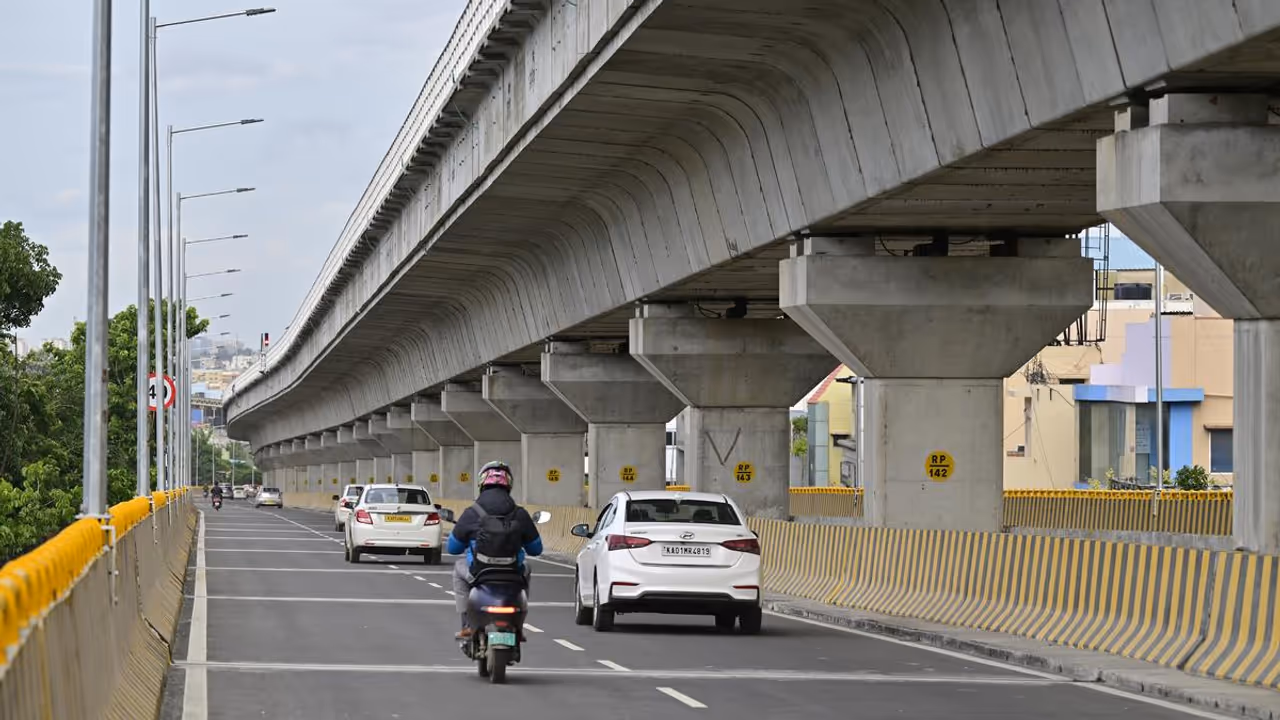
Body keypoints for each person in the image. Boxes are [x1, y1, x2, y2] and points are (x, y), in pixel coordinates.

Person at [446, 461, 542, 640]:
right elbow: (536, 549)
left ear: (481, 483)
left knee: (459, 568)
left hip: (479, 572)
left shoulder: (471, 512)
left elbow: (452, 548)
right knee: (527, 568)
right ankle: (518, 625)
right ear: (509, 485)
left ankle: (466, 624)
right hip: (513, 573)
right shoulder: (519, 513)